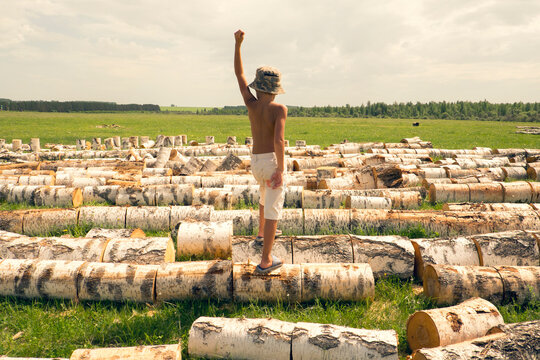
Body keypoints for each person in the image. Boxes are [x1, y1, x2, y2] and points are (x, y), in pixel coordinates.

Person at [234, 29, 287, 274]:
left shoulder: (251, 105)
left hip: (255, 163)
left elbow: (239, 74)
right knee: (274, 206)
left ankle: (259, 234)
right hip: (269, 161)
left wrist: (238, 45)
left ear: (258, 88)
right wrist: (282, 169)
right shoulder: (279, 109)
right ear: (275, 89)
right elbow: (279, 141)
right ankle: (266, 260)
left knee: (264, 194)